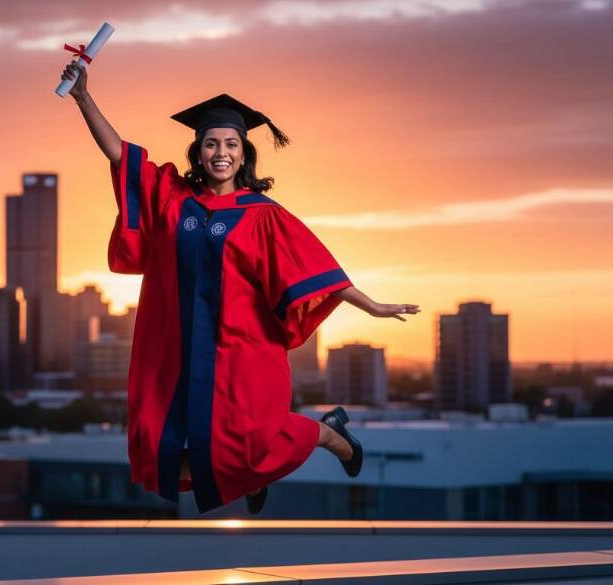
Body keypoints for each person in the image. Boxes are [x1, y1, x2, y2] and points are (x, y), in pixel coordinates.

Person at [62, 62, 420, 515]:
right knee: (158, 454)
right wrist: (83, 98)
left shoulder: (261, 214)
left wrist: (369, 305)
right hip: (170, 351)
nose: (221, 152)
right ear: (198, 151)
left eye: (231, 144)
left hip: (238, 351)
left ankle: (328, 435)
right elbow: (120, 157)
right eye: (211, 143)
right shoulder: (173, 198)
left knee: (246, 447)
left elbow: (313, 267)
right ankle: (252, 477)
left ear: (244, 153)